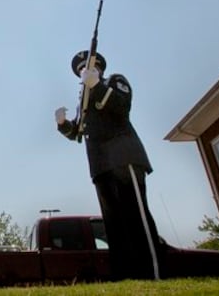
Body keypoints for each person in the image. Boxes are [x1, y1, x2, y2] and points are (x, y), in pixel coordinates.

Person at [55, 50, 162, 281]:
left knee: (135, 216)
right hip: (100, 165)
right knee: (114, 224)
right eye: (81, 69)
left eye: (89, 66)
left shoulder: (115, 81)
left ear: (99, 67)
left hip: (124, 158)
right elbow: (78, 132)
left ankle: (153, 274)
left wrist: (97, 86)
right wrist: (63, 124)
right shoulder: (82, 100)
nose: (85, 70)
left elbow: (122, 107)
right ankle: (127, 277)